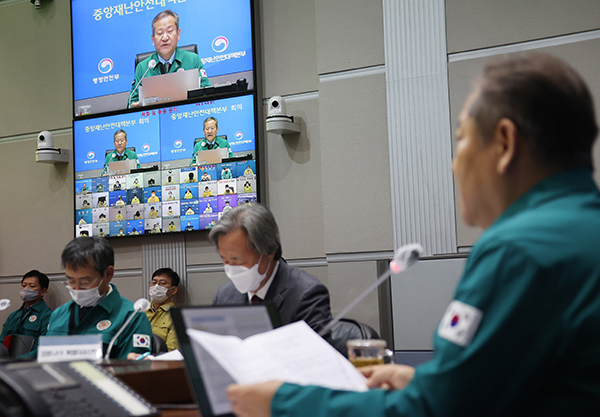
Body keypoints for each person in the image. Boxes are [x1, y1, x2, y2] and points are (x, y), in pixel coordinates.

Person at [226, 53, 600, 417]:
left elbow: (434, 411)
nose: (454, 165)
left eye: (461, 139)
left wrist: (283, 404)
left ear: (504, 143)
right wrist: (424, 381)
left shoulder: (519, 250)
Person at [210, 204, 333, 337]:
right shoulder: (224, 297)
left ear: (268, 251)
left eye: (238, 260)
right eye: (225, 260)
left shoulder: (306, 294)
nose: (231, 269)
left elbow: (316, 355)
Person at [47, 237, 152, 359]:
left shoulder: (131, 318)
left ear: (108, 274)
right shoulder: (59, 315)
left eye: (85, 282)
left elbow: (134, 372)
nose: (76, 289)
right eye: (71, 281)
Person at [129, 9, 210, 107]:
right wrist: (134, 106)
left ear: (178, 34)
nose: (165, 37)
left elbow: (207, 93)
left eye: (170, 31)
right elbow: (131, 103)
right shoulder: (143, 68)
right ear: (153, 39)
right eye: (159, 33)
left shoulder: (193, 60)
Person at [0, 270, 53, 359]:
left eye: (32, 286)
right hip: (7, 366)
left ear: (43, 291)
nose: (26, 289)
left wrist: (18, 360)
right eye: (24, 286)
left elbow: (45, 347)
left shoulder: (48, 315)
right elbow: (1, 341)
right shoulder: (13, 316)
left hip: (32, 366)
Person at [145, 268, 180, 352]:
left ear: (173, 290)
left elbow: (172, 350)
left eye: (162, 283)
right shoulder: (141, 311)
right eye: (154, 282)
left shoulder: (176, 317)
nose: (156, 286)